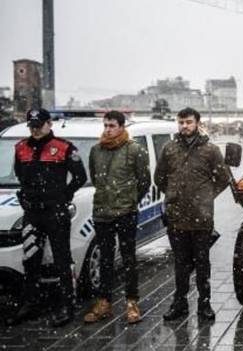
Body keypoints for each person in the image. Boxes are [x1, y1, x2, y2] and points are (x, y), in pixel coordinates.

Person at [7, 108, 87, 327]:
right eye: (31, 125)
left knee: (62, 259)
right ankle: (31, 303)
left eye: (39, 125)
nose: (35, 129)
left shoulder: (64, 147)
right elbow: (20, 175)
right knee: (31, 259)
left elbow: (81, 177)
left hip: (56, 213)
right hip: (32, 214)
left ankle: (67, 305)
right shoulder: (21, 148)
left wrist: (64, 195)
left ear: (48, 124)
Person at [155, 107, 231, 321]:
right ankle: (179, 304)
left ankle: (204, 304)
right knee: (180, 264)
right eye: (181, 122)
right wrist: (173, 195)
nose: (184, 126)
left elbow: (223, 178)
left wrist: (206, 196)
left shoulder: (210, 150)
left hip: (201, 218)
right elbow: (159, 178)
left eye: (188, 122)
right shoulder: (169, 149)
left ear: (197, 123)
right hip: (176, 217)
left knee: (202, 263)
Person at [83, 111, 151, 324]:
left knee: (129, 258)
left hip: (125, 213)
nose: (108, 129)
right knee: (105, 259)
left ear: (122, 126)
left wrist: (129, 201)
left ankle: (132, 302)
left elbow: (144, 181)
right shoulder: (96, 150)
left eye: (112, 125)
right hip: (102, 213)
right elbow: (95, 178)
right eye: (105, 125)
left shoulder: (135, 150)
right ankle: (104, 302)